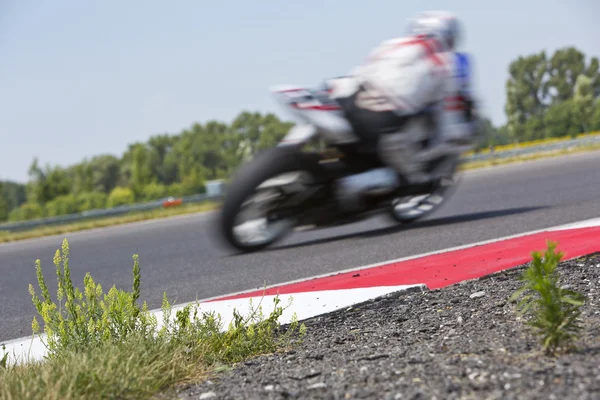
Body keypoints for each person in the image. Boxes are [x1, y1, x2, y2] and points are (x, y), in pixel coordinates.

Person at [328, 10, 479, 211]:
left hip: (348, 101)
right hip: (382, 120)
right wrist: (457, 139)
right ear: (448, 36)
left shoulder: (392, 44)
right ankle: (352, 184)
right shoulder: (447, 64)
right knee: (416, 178)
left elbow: (359, 73)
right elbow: (449, 122)